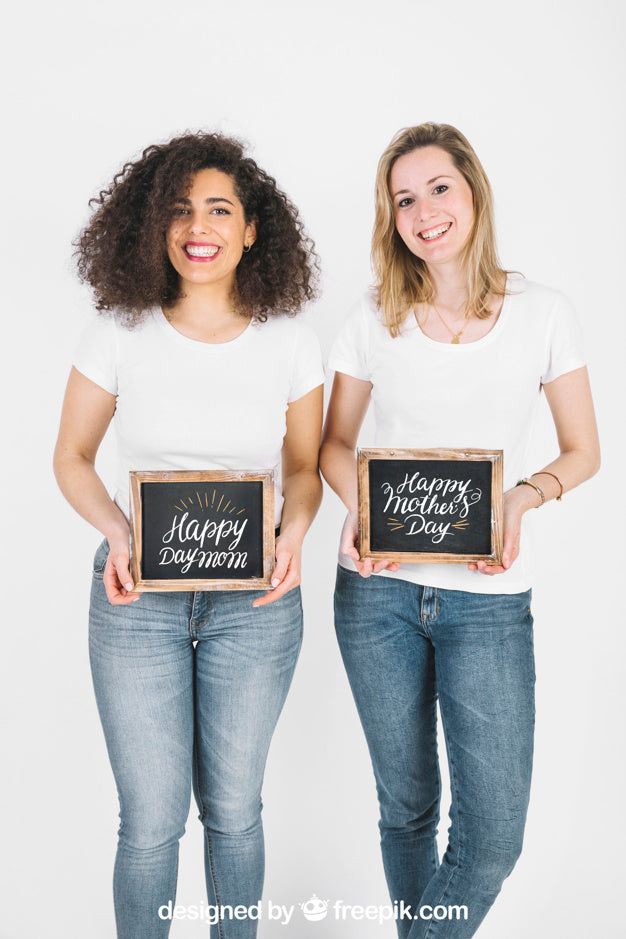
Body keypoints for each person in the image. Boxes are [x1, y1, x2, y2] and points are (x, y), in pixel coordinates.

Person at [319, 122, 600, 938]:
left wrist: (522, 496)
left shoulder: (543, 312)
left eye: (439, 187)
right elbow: (336, 445)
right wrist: (363, 509)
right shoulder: (375, 316)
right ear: (391, 217)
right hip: (378, 598)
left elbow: (584, 451)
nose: (424, 211)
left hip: (489, 601)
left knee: (491, 839)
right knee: (406, 810)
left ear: (473, 189)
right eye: (404, 199)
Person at [53, 132, 323, 939]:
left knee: (235, 810)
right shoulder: (118, 333)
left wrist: (294, 533)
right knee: (150, 819)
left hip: (258, 600)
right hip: (136, 596)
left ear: (249, 231)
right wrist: (115, 527)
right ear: (154, 227)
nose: (197, 226)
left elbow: (304, 470)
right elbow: (70, 458)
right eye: (179, 209)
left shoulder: (291, 342)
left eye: (219, 209)